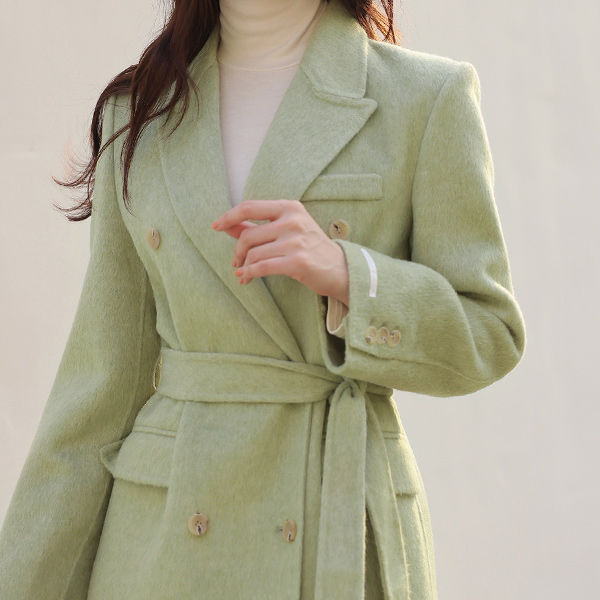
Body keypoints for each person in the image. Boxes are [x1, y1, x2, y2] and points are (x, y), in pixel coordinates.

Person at [0, 0, 527, 599]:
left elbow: (490, 333)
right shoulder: (142, 109)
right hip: (161, 546)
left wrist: (351, 276)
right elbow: (98, 391)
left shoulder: (426, 96)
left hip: (332, 522)